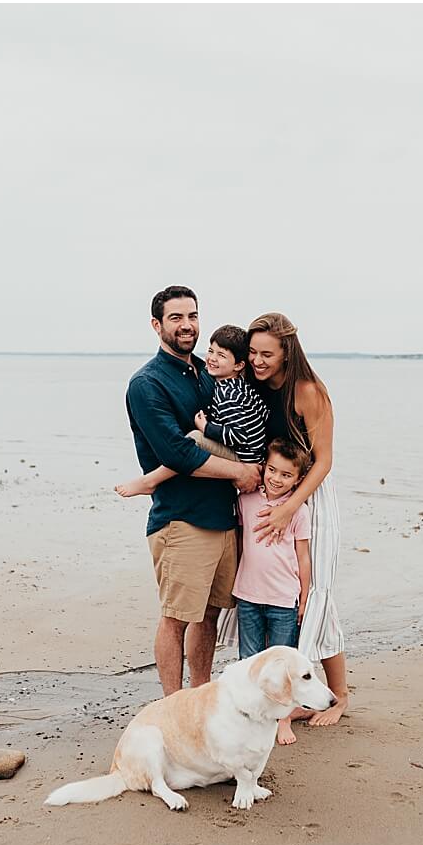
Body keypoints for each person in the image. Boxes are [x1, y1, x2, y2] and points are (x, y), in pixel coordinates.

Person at [125, 286, 262, 697]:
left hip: (224, 519)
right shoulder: (147, 384)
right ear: (156, 325)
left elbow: (240, 422)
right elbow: (178, 452)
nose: (187, 325)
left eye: (193, 316)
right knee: (176, 617)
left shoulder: (208, 371)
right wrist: (240, 473)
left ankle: (200, 697)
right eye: (176, 318)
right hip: (181, 519)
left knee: (210, 616)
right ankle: (173, 706)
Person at [216, 312, 350, 728]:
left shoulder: (308, 391)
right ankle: (277, 693)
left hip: (308, 499)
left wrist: (291, 507)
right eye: (252, 352)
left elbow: (324, 460)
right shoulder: (252, 387)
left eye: (266, 354)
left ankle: (338, 696)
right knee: (274, 592)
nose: (257, 360)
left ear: (287, 352)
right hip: (267, 496)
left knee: (316, 598)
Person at [115, 324, 270, 497]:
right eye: (211, 351)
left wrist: (206, 428)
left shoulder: (229, 394)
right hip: (253, 455)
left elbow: (239, 435)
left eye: (221, 355)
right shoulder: (240, 387)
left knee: (195, 439)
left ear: (239, 365)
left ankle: (150, 481)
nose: (212, 358)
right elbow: (263, 412)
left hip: (245, 457)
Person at [231, 439, 316, 745]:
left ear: (298, 479)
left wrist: (305, 595)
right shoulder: (247, 500)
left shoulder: (298, 511)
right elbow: (241, 542)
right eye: (272, 470)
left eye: (286, 475)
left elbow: (303, 556)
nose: (276, 478)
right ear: (263, 467)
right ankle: (249, 717)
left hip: (283, 599)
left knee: (283, 666)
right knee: (249, 660)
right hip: (249, 595)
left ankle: (282, 721)